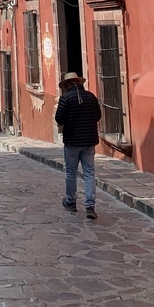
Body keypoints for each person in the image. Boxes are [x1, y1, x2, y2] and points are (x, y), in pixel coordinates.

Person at [54, 71, 102, 220]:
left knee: (70, 172)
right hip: (89, 141)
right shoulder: (91, 97)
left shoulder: (66, 98)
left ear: (67, 84)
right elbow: (98, 115)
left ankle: (71, 202)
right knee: (89, 173)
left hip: (72, 142)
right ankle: (90, 206)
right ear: (79, 83)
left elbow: (59, 119)